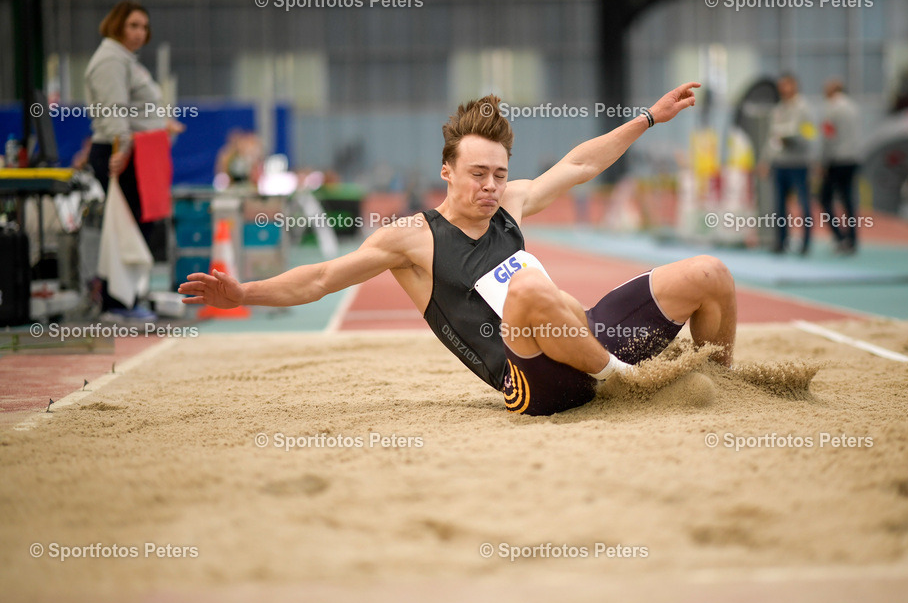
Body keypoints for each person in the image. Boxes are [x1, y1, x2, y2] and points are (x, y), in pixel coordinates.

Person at [179, 83, 737, 416]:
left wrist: (648, 118)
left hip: (580, 336)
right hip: (534, 382)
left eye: (499, 174)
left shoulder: (512, 204)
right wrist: (243, 291)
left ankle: (729, 385)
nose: (491, 186)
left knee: (709, 273)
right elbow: (322, 277)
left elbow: (581, 164)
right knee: (528, 288)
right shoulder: (411, 239)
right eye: (477, 174)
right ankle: (628, 383)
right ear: (447, 172)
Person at [85, 0, 185, 318]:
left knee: (142, 225)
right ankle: (116, 304)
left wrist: (161, 125)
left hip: (140, 151)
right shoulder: (110, 61)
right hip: (122, 153)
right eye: (133, 25)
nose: (140, 32)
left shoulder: (127, 60)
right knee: (124, 228)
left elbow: (137, 109)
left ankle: (128, 297)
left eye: (144, 26)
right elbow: (113, 110)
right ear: (117, 25)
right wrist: (122, 150)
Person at [760, 73, 816, 255]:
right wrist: (765, 161)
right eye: (781, 86)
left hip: (799, 163)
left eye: (787, 85)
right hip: (780, 164)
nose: (784, 89)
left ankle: (806, 242)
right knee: (779, 206)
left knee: (803, 204)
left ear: (795, 86)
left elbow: (807, 133)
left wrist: (787, 135)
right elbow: (772, 138)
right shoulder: (778, 109)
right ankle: (781, 242)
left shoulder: (804, 108)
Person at [819, 78, 861, 254]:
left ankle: (839, 236)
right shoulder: (854, 107)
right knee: (848, 200)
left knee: (824, 198)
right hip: (853, 158)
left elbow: (828, 137)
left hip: (836, 160)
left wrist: (823, 161)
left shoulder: (831, 108)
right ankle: (852, 238)